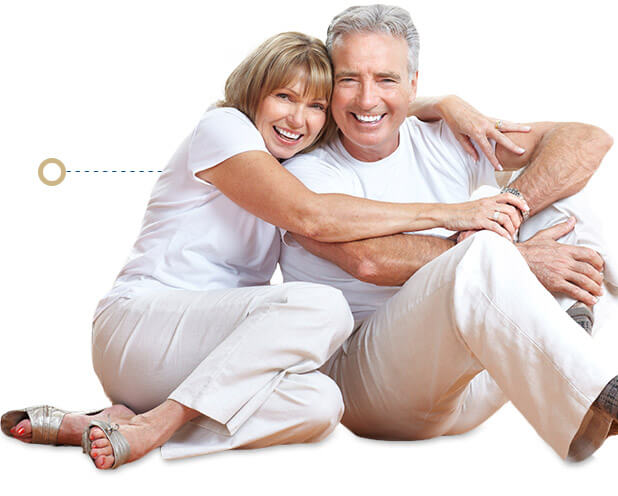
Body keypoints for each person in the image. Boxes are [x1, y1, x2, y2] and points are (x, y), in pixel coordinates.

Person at [1, 31, 534, 469]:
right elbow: (312, 216)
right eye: (284, 97)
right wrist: (451, 214)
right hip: (138, 328)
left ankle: (120, 423)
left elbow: (367, 112)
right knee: (324, 307)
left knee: (323, 404)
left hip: (204, 358)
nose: (298, 119)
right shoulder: (224, 130)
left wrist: (440, 102)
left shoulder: (294, 161)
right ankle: (161, 422)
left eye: (315, 105)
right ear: (255, 93)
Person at [277, 5, 618, 487]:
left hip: (471, 381)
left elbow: (586, 140)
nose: (368, 97)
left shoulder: (444, 137)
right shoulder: (301, 171)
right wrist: (515, 260)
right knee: (482, 252)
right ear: (327, 84)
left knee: (562, 196)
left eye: (387, 79)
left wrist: (514, 203)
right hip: (373, 388)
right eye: (349, 79)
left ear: (414, 84)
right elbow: (368, 259)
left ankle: (574, 359)